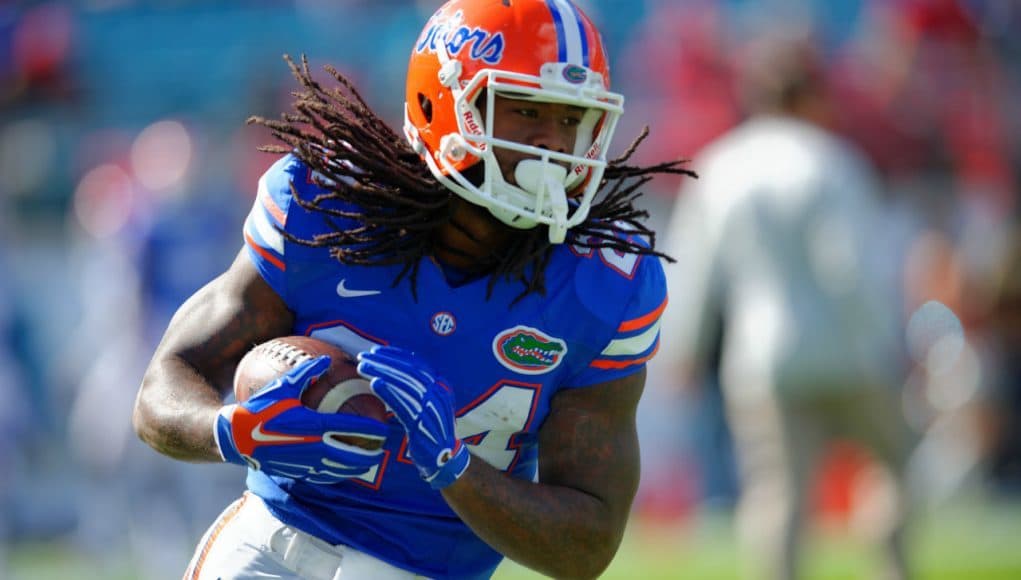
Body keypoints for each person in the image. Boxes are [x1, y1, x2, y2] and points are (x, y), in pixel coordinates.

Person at [132, 1, 692, 578]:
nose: (554, 145)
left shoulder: (603, 281)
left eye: (572, 120)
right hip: (271, 550)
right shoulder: (326, 207)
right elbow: (162, 387)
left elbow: (587, 545)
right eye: (526, 111)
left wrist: (452, 467)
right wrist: (232, 430)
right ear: (443, 104)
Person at [654, 34, 912, 580]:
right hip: (850, 352)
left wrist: (683, 350)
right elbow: (850, 269)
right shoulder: (833, 161)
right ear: (812, 96)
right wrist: (889, 340)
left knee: (778, 497)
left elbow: (697, 271)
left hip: (763, 359)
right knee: (890, 469)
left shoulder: (722, 165)